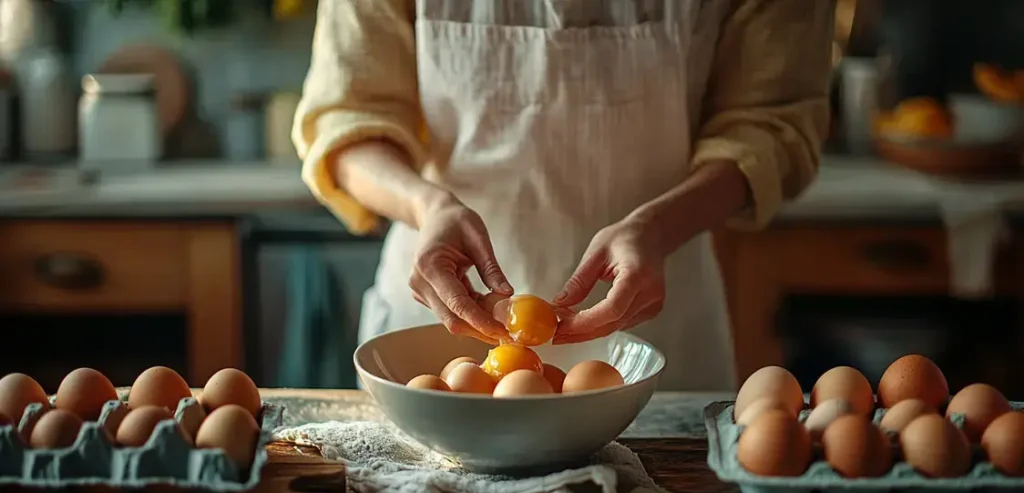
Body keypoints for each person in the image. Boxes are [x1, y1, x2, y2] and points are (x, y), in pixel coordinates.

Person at [293, 0, 832, 391]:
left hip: (657, 326)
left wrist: (658, 226)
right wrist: (425, 206)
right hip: (439, 319)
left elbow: (772, 126)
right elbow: (347, 122)